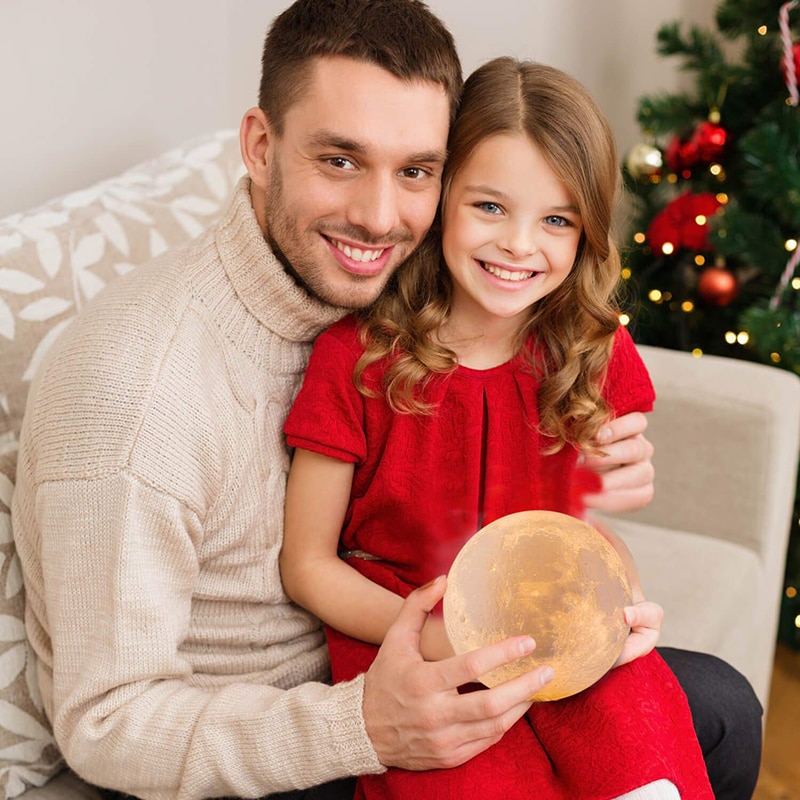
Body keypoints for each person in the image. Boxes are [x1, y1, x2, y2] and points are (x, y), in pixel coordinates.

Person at [10, 1, 761, 799]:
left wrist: (600, 487)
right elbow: (108, 724)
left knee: (719, 708)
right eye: (339, 160)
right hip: (270, 736)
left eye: (415, 171)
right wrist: (365, 725)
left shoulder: (391, 289)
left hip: (435, 645)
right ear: (261, 147)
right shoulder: (134, 390)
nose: (378, 216)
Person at [280, 57, 713, 800]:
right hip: (413, 635)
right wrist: (438, 635)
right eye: (489, 207)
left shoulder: (591, 347)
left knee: (643, 743)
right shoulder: (356, 359)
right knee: (469, 774)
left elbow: (589, 528)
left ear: (586, 231)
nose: (519, 245)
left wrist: (622, 600)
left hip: (549, 619)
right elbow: (307, 564)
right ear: (442, 199)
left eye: (555, 220)